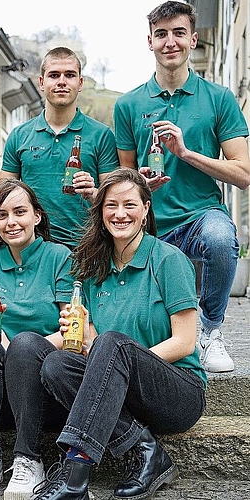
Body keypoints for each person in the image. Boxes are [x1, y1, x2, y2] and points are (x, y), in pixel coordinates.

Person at [32, 168, 206, 500]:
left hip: (177, 391)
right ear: (100, 212)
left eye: (129, 205)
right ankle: (144, 449)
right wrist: (82, 335)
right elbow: (95, 346)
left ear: (145, 210)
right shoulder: (94, 268)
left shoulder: (168, 260)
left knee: (114, 345)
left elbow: (184, 342)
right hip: (120, 393)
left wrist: (122, 364)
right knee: (57, 366)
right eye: (111, 205)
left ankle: (75, 472)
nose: (120, 213)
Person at [113, 1, 250, 373]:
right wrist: (143, 182)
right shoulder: (128, 105)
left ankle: (210, 331)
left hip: (201, 214)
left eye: (177, 33)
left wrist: (186, 153)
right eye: (161, 34)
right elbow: (125, 181)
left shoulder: (219, 98)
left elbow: (243, 172)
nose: (169, 42)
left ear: (192, 39)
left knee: (222, 239)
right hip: (151, 221)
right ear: (150, 42)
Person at [0, 178, 74, 500]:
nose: (11, 222)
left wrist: (22, 351)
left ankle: (29, 458)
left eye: (19, 212)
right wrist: (8, 351)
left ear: (37, 216)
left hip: (42, 389)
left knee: (25, 343)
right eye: (1, 215)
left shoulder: (60, 257)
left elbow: (73, 331)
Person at [0, 46, 118, 249]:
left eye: (70, 75)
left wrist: (93, 193)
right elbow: (2, 196)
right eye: (54, 75)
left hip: (85, 248)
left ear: (80, 83)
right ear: (41, 82)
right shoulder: (19, 136)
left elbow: (114, 202)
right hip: (31, 247)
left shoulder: (102, 135)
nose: (62, 82)